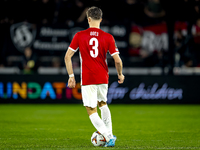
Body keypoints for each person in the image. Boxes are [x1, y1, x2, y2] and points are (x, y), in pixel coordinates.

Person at [64, 6, 124, 147]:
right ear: (101, 20)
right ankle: (110, 133)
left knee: (91, 110)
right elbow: (117, 60)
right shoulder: (108, 37)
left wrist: (71, 76)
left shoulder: (79, 35)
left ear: (88, 19)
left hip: (88, 77)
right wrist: (120, 74)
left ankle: (108, 136)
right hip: (103, 76)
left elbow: (67, 56)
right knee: (103, 104)